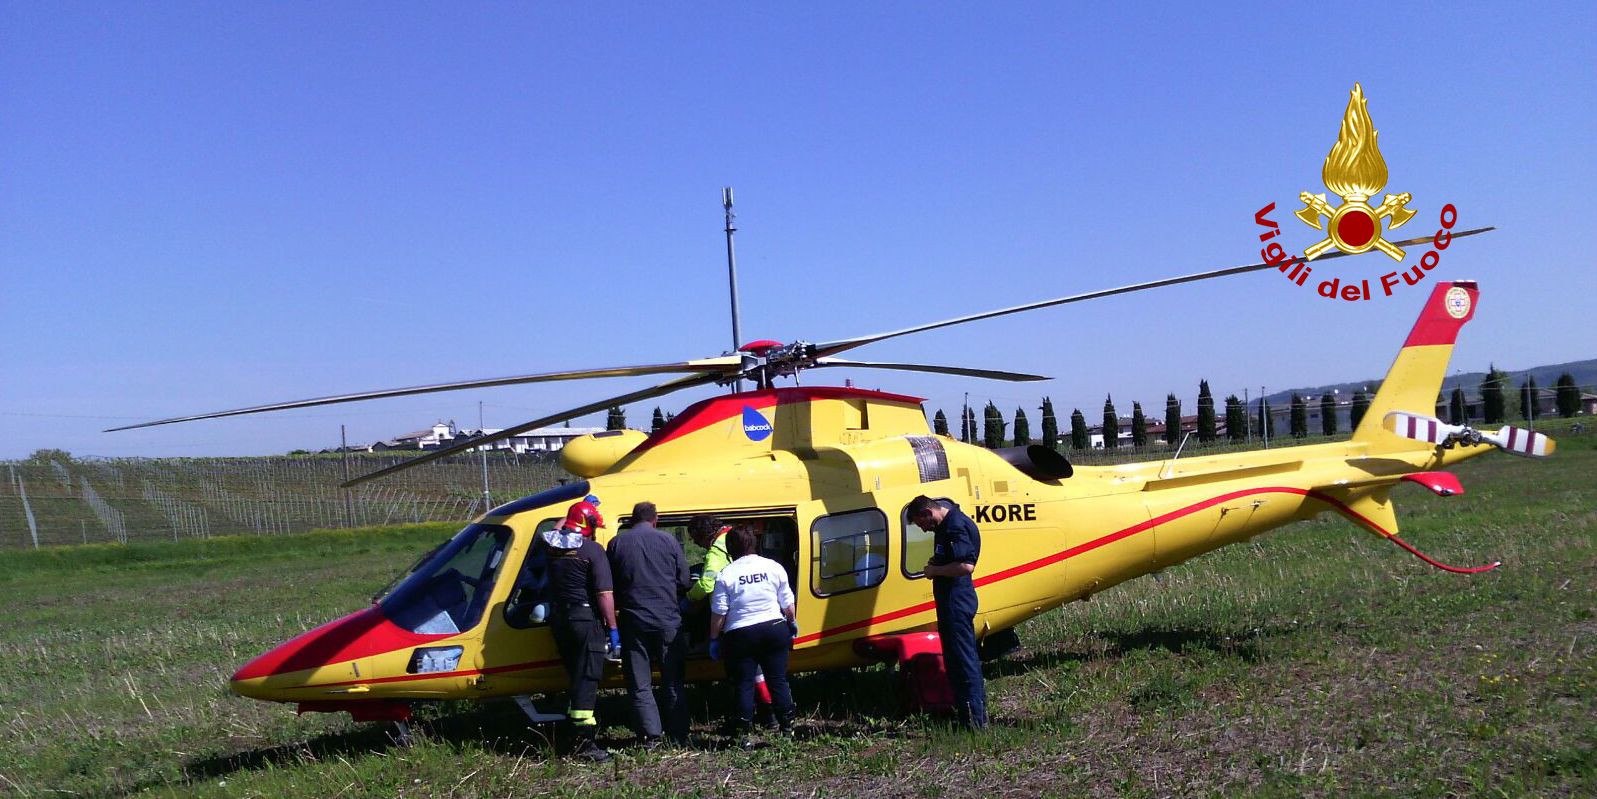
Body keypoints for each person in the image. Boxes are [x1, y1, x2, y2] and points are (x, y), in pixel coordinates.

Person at [605, 501, 691, 747]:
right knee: (672, 679)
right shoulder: (669, 542)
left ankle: (651, 735)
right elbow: (684, 579)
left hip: (634, 622)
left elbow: (610, 583)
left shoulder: (617, 543)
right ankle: (678, 735)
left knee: (640, 682)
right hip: (667, 621)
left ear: (632, 520)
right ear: (655, 519)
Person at [542, 498, 620, 761]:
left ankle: (571, 732)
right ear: (590, 526)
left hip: (560, 619)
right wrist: (613, 627)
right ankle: (584, 744)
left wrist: (580, 507)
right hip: (585, 619)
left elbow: (559, 527)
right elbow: (605, 594)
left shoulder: (552, 547)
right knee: (587, 678)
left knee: (575, 673)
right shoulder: (592, 551)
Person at [708, 525, 799, 743]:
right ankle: (788, 729)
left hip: (741, 634)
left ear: (730, 549)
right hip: (773, 628)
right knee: (778, 680)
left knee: (744, 684)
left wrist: (713, 638)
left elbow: (719, 613)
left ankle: (744, 736)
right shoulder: (773, 566)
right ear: (755, 544)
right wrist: (792, 622)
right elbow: (787, 601)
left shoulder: (726, 575)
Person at [907, 494, 987, 730]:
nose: (923, 530)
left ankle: (974, 721)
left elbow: (965, 565)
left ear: (927, 513)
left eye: (922, 525)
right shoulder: (943, 527)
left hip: (956, 602)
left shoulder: (954, 526)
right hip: (950, 602)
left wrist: (935, 570)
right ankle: (966, 715)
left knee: (964, 661)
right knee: (954, 661)